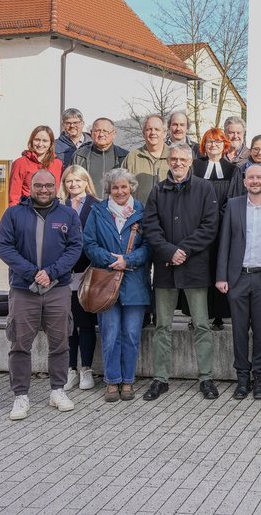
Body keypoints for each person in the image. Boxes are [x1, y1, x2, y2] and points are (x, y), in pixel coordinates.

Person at [0, 170, 83, 420]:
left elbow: (75, 247)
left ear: (56, 187)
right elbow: (4, 247)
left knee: (60, 342)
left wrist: (51, 272)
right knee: (20, 344)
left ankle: (57, 390)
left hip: (58, 288)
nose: (44, 190)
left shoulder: (68, 214)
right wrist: (33, 273)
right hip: (24, 290)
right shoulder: (13, 214)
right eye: (38, 185)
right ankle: (20, 395)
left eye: (48, 185)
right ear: (30, 187)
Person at [142, 143, 220, 401]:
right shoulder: (158, 190)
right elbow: (151, 226)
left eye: (182, 159)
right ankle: (160, 378)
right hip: (165, 268)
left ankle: (206, 377)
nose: (177, 163)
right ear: (168, 161)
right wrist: (168, 251)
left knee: (201, 324)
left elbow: (210, 226)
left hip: (194, 266)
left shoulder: (204, 188)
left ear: (190, 162)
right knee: (162, 325)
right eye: (173, 159)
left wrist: (183, 250)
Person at [216, 165, 261, 400]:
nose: (255, 181)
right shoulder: (234, 205)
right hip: (237, 278)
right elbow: (224, 241)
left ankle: (260, 378)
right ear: (244, 182)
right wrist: (221, 276)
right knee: (238, 330)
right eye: (251, 178)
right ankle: (242, 378)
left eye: (259, 177)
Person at [82, 168, 151, 402]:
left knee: (131, 334)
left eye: (124, 187)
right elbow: (89, 243)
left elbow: (149, 246)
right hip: (105, 282)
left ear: (131, 187)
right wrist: (111, 260)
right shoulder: (98, 211)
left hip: (135, 284)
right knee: (110, 334)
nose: (120, 191)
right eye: (115, 187)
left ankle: (128, 380)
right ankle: (112, 381)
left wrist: (128, 260)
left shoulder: (142, 211)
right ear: (108, 190)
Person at [191, 128, 244, 330]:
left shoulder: (232, 170)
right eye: (210, 141)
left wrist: (216, 219)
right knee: (198, 270)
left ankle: (219, 316)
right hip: (197, 228)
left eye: (218, 141)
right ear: (204, 145)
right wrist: (202, 221)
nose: (213, 145)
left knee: (219, 268)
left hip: (222, 227)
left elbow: (234, 198)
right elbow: (189, 197)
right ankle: (197, 315)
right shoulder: (195, 167)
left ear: (224, 145)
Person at [57, 165, 99, 393]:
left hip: (87, 272)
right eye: (69, 181)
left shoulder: (97, 205)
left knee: (85, 322)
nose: (73, 185)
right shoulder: (58, 206)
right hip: (63, 274)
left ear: (86, 182)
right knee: (68, 324)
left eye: (78, 180)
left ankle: (86, 369)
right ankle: (71, 369)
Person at [72, 117, 129, 196]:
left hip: (116, 202)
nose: (101, 134)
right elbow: (71, 181)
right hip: (87, 202)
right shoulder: (80, 156)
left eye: (105, 131)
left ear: (114, 134)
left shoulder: (124, 157)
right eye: (97, 131)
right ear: (91, 133)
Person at [122, 115, 170, 206]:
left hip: (168, 212)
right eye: (149, 129)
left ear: (164, 133)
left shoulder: (174, 157)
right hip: (139, 212)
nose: (153, 132)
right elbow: (122, 187)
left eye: (157, 129)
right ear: (143, 133)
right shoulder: (133, 157)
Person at [10, 126, 64, 206]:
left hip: (52, 210)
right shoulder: (20, 163)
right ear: (31, 141)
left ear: (51, 143)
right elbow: (14, 196)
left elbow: (60, 192)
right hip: (27, 209)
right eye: (37, 140)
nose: (40, 144)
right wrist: (14, 212)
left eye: (45, 141)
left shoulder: (58, 164)